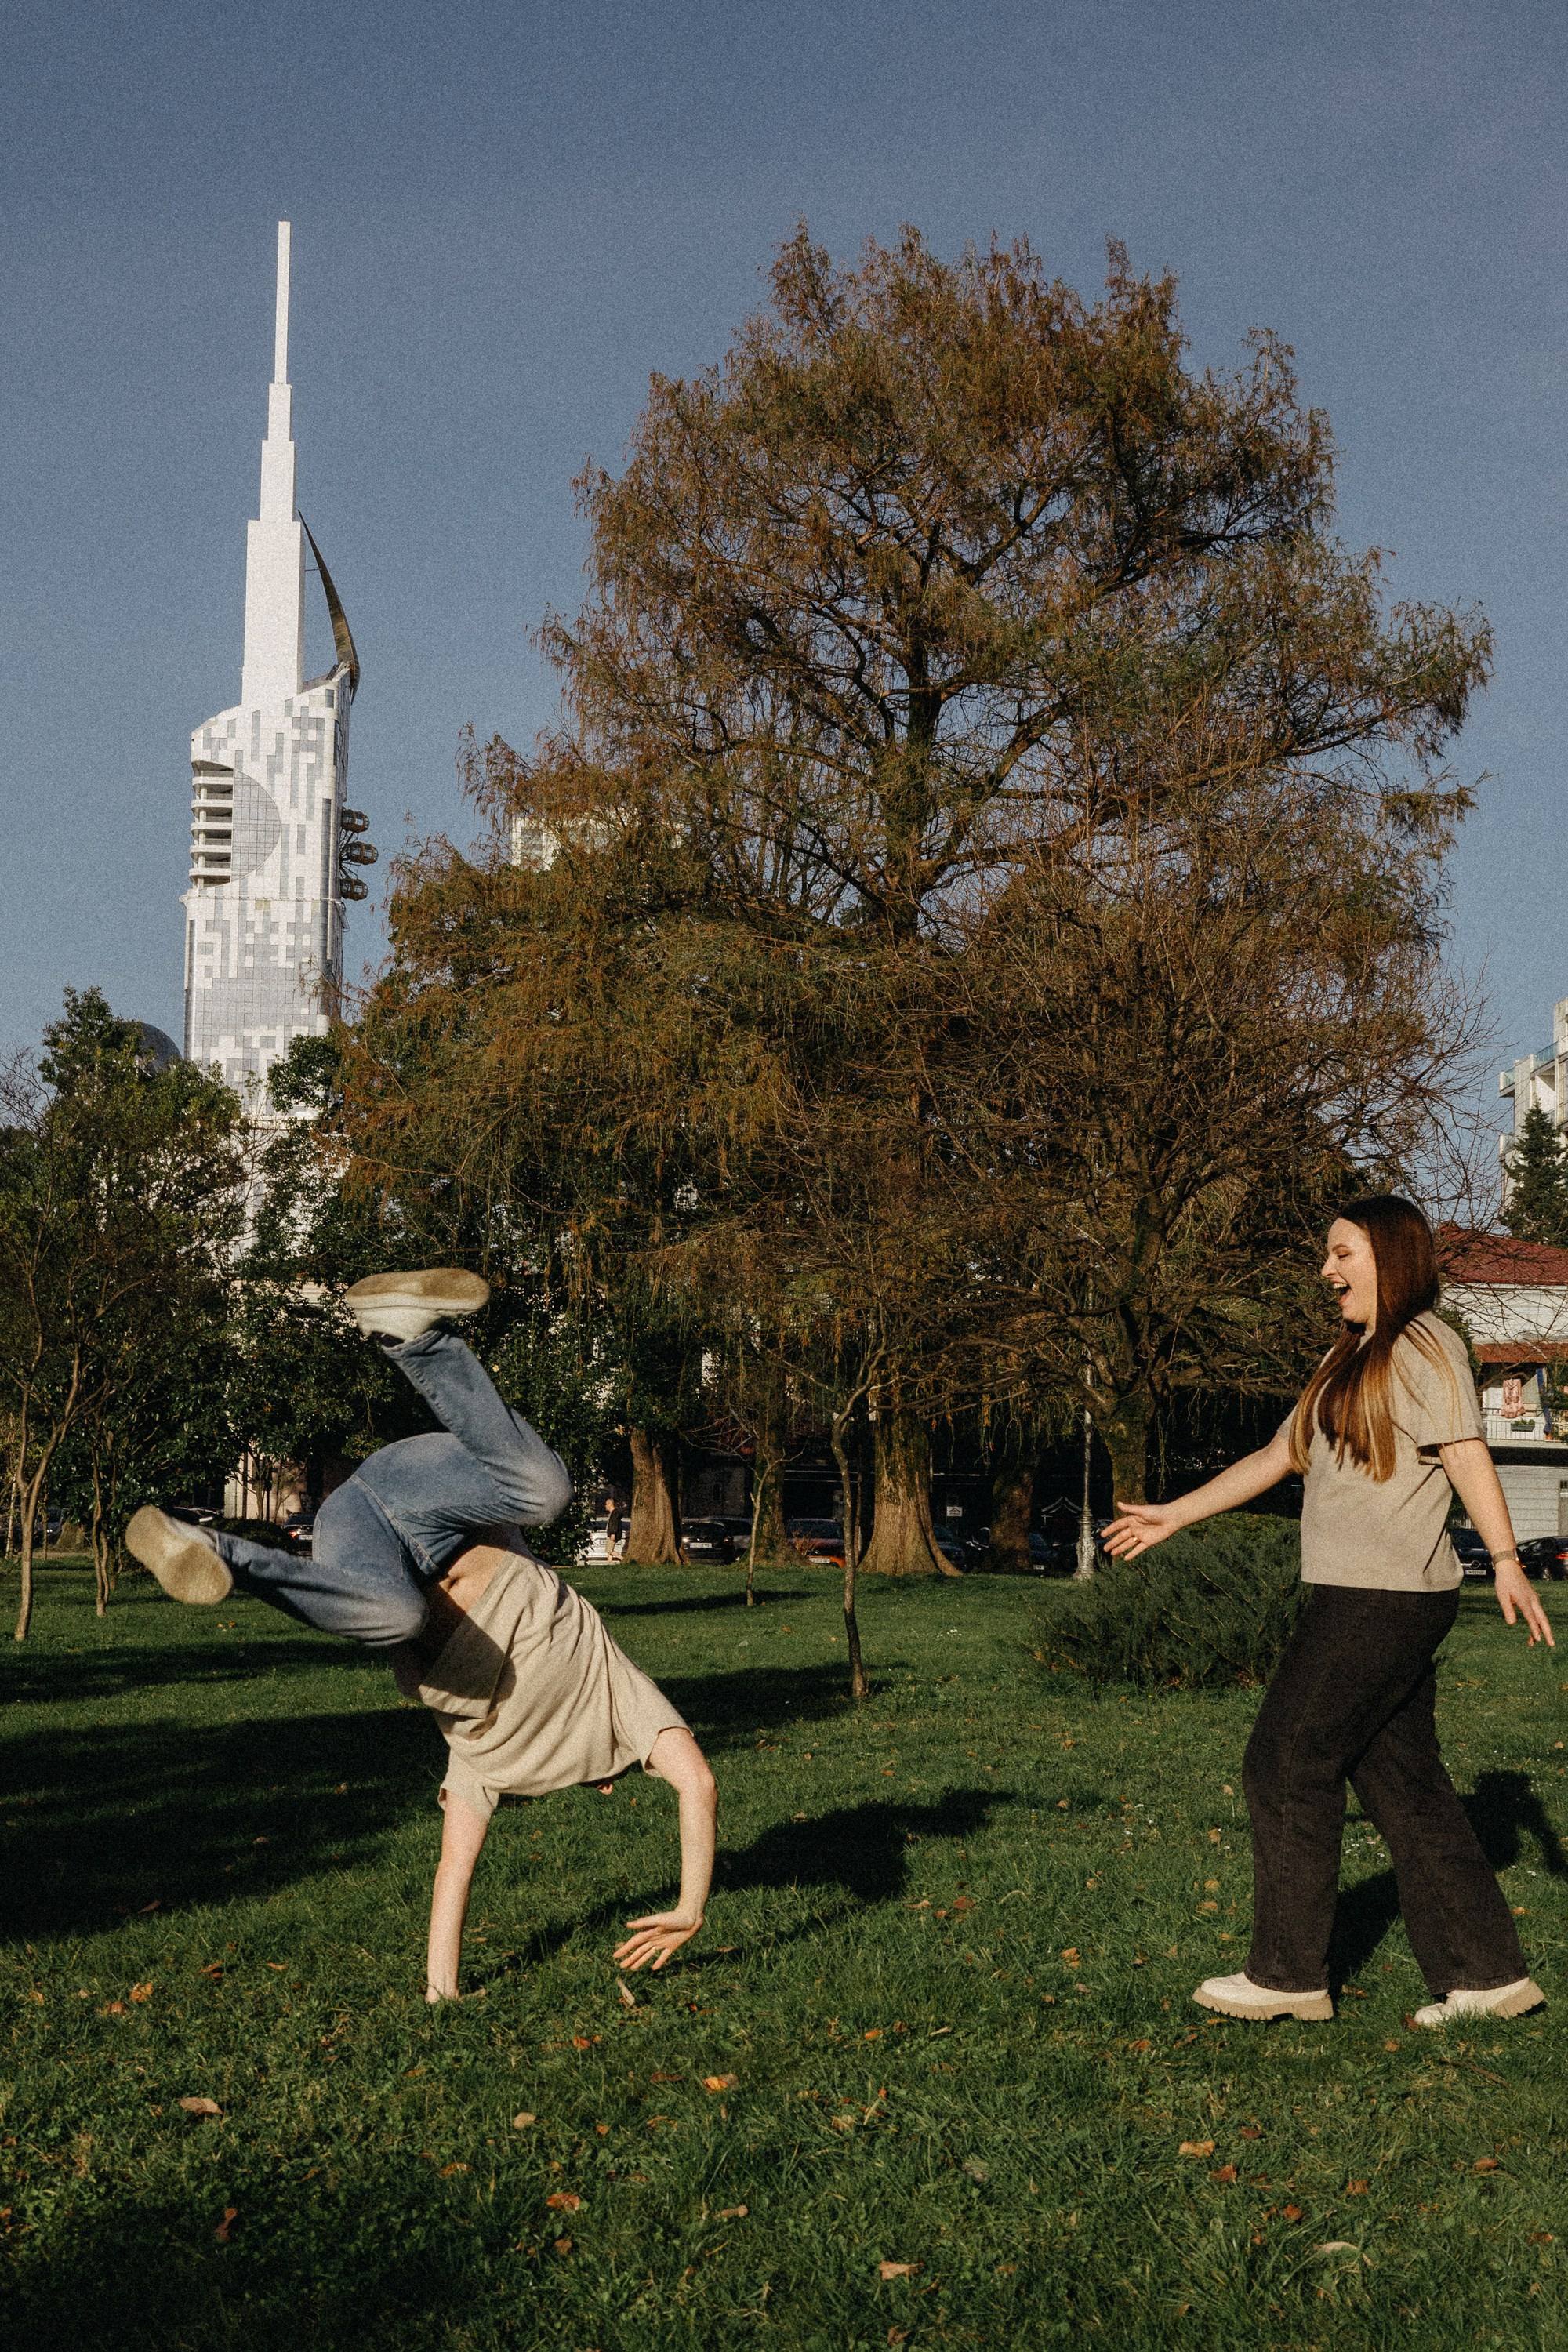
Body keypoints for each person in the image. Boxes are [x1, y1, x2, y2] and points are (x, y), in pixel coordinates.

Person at [125, 1269, 717, 1995]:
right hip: (429, 1497)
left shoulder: (486, 1764)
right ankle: (413, 1336)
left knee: (395, 1618)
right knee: (545, 1492)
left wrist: (442, 1991)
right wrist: (689, 1905)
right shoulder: (620, 1704)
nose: (599, 1784)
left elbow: (453, 1873)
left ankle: (211, 1551)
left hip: (363, 1529)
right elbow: (697, 1780)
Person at [1103, 1196, 1552, 2032]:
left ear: (1388, 1255)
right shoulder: (1346, 1354)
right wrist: (1174, 1513)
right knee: (1402, 1783)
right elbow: (1279, 1454)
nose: (1326, 1270)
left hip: (1380, 1600)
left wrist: (1503, 1560)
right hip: (1360, 1595)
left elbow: (1463, 1450)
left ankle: (1285, 1975)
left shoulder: (1424, 1342)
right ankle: (1486, 1977)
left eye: (1341, 1253)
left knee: (1283, 1763)